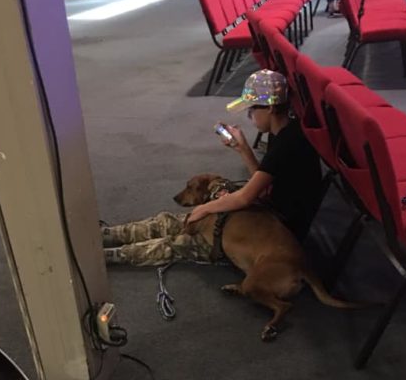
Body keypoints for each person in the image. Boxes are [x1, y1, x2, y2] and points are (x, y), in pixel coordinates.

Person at [101, 69, 323, 265]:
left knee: (181, 242)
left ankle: (110, 256)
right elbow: (263, 185)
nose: (250, 116)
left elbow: (246, 197)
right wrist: (243, 149)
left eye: (252, 110)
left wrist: (207, 207)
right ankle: (108, 234)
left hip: (276, 232)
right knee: (174, 220)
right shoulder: (283, 132)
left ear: (271, 108)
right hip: (267, 212)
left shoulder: (287, 143)